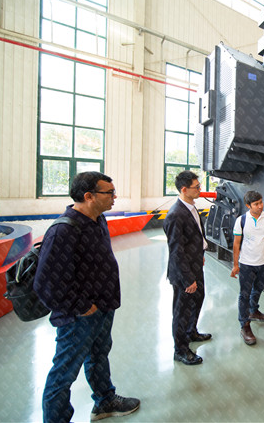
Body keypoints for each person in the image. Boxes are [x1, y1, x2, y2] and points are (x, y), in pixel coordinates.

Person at [34, 171, 140, 422]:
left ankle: (105, 400)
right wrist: (81, 306)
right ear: (89, 196)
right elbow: (46, 283)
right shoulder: (64, 230)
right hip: (79, 316)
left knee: (98, 356)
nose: (114, 197)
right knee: (64, 373)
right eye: (109, 193)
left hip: (102, 307)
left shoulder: (98, 220)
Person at [163, 170, 212, 366]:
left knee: (198, 299)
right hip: (184, 273)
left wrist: (200, 255)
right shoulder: (176, 215)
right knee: (182, 311)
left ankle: (191, 332)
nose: (200, 189)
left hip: (195, 265)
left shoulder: (191, 208)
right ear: (184, 189)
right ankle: (181, 350)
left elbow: (194, 237)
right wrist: (187, 279)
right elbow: (177, 251)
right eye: (196, 187)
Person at [231, 191, 264, 345]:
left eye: (261, 202)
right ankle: (244, 325)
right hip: (246, 264)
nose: (260, 206)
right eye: (256, 204)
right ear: (248, 206)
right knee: (244, 295)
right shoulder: (241, 220)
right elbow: (236, 243)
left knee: (258, 289)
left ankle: (253, 310)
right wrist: (235, 264)